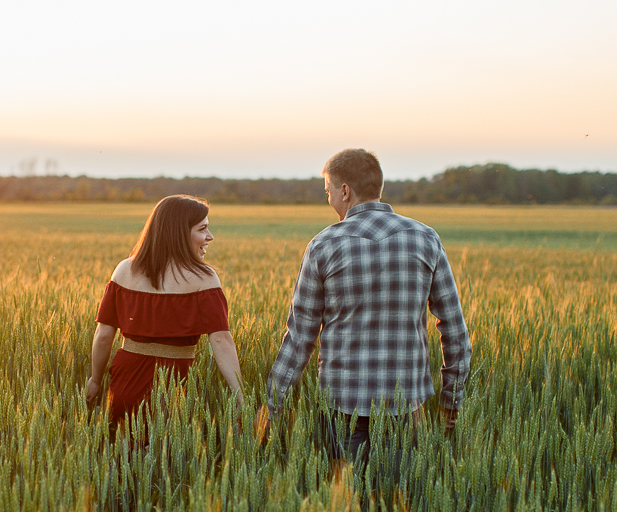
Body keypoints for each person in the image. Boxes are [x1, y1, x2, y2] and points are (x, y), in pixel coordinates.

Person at [266, 148, 471, 462]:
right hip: (407, 408)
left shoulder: (324, 245)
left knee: (347, 503)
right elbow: (454, 331)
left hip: (341, 409)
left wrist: (274, 402)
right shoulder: (426, 239)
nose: (330, 200)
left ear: (345, 191)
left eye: (329, 192)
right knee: (400, 502)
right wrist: (451, 402)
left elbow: (300, 338)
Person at [85, 195, 244, 427]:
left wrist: (96, 381)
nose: (210, 236)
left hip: (125, 382)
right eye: (203, 229)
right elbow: (221, 341)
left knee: (122, 458)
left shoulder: (124, 270)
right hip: (174, 387)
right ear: (178, 232)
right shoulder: (204, 278)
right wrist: (239, 394)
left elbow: (103, 336)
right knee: (171, 457)